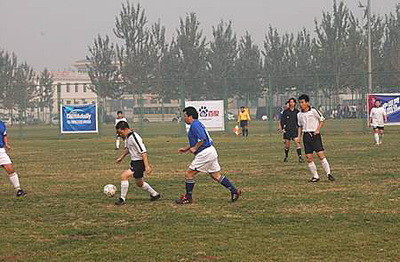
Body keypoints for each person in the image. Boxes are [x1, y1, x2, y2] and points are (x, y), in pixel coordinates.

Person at [175, 106, 241, 204]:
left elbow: (202, 139)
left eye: (185, 116)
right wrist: (186, 149)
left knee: (189, 174)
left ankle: (188, 198)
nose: (184, 118)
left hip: (205, 153)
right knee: (216, 175)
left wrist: (195, 148)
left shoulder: (194, 125)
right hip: (210, 151)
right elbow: (198, 140)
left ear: (190, 116)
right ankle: (234, 191)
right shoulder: (197, 124)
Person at [114, 121, 160, 205]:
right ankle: (154, 194)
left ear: (126, 129)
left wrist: (147, 166)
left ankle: (122, 199)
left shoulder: (134, 137)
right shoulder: (128, 137)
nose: (120, 135)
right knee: (140, 183)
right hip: (135, 162)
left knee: (124, 176)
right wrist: (121, 157)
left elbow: (143, 152)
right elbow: (128, 149)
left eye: (120, 132)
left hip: (139, 162)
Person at [297, 94, 335, 183]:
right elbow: (299, 126)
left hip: (315, 135)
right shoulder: (299, 114)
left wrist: (318, 129)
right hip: (306, 136)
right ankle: (315, 176)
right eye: (300, 103)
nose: (301, 104)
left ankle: (328, 174)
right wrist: (298, 137)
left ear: (307, 102)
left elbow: (322, 119)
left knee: (320, 155)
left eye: (302, 102)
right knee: (309, 157)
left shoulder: (313, 111)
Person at [0, 120, 26, 197]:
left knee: (10, 169)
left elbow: (4, 135)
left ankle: (19, 190)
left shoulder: (1, 123)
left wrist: (6, 144)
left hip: (1, 150)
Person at [280, 98, 303, 163]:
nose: (291, 103)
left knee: (297, 142)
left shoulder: (297, 112)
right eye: (290, 102)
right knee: (287, 145)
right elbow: (282, 121)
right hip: (287, 131)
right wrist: (283, 128)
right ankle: (286, 157)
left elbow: (299, 122)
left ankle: (300, 157)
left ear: (295, 103)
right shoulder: (286, 112)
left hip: (294, 130)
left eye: (293, 102)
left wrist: (299, 129)